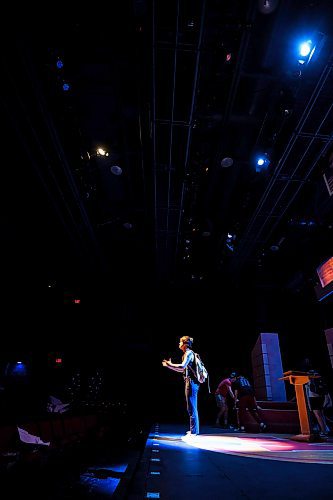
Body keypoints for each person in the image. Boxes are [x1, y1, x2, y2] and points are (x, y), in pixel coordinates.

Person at [162, 336, 200, 438]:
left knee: (192, 407)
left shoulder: (188, 353)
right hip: (190, 381)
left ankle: (194, 432)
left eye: (180, 342)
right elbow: (182, 370)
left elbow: (182, 366)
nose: (179, 344)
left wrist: (171, 364)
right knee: (191, 407)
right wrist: (169, 366)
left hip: (191, 382)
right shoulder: (186, 354)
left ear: (185, 344)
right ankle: (193, 430)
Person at [305, 370, 331, 437]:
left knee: (318, 415)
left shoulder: (313, 381)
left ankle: (324, 431)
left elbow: (312, 390)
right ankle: (325, 429)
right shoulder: (316, 380)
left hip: (314, 398)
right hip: (317, 398)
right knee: (320, 414)